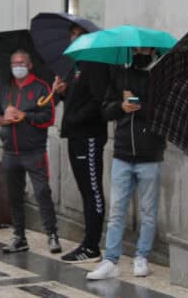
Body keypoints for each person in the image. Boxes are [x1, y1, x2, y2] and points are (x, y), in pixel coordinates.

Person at [87, 47, 166, 280]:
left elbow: (164, 113)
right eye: (135, 48)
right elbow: (105, 111)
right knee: (117, 210)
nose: (138, 51)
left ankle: (142, 257)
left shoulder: (160, 76)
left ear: (152, 49)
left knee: (148, 211)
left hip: (150, 153)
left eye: (142, 47)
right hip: (122, 153)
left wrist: (138, 106)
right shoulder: (120, 75)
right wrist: (120, 107)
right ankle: (110, 260)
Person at [0, 49, 61, 255]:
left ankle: (52, 234)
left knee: (42, 192)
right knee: (14, 195)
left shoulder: (41, 88)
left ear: (30, 65)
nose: (17, 67)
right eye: (14, 64)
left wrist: (25, 116)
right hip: (9, 152)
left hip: (34, 151)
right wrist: (4, 119)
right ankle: (19, 237)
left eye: (21, 63)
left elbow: (48, 118)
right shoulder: (6, 89)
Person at [52, 24, 109, 263]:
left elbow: (98, 101)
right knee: (85, 191)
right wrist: (63, 93)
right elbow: (79, 99)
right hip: (75, 135)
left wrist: (75, 117)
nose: (72, 38)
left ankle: (92, 245)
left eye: (76, 35)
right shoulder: (77, 66)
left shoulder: (94, 65)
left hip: (89, 136)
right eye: (71, 34)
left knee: (93, 190)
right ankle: (88, 243)